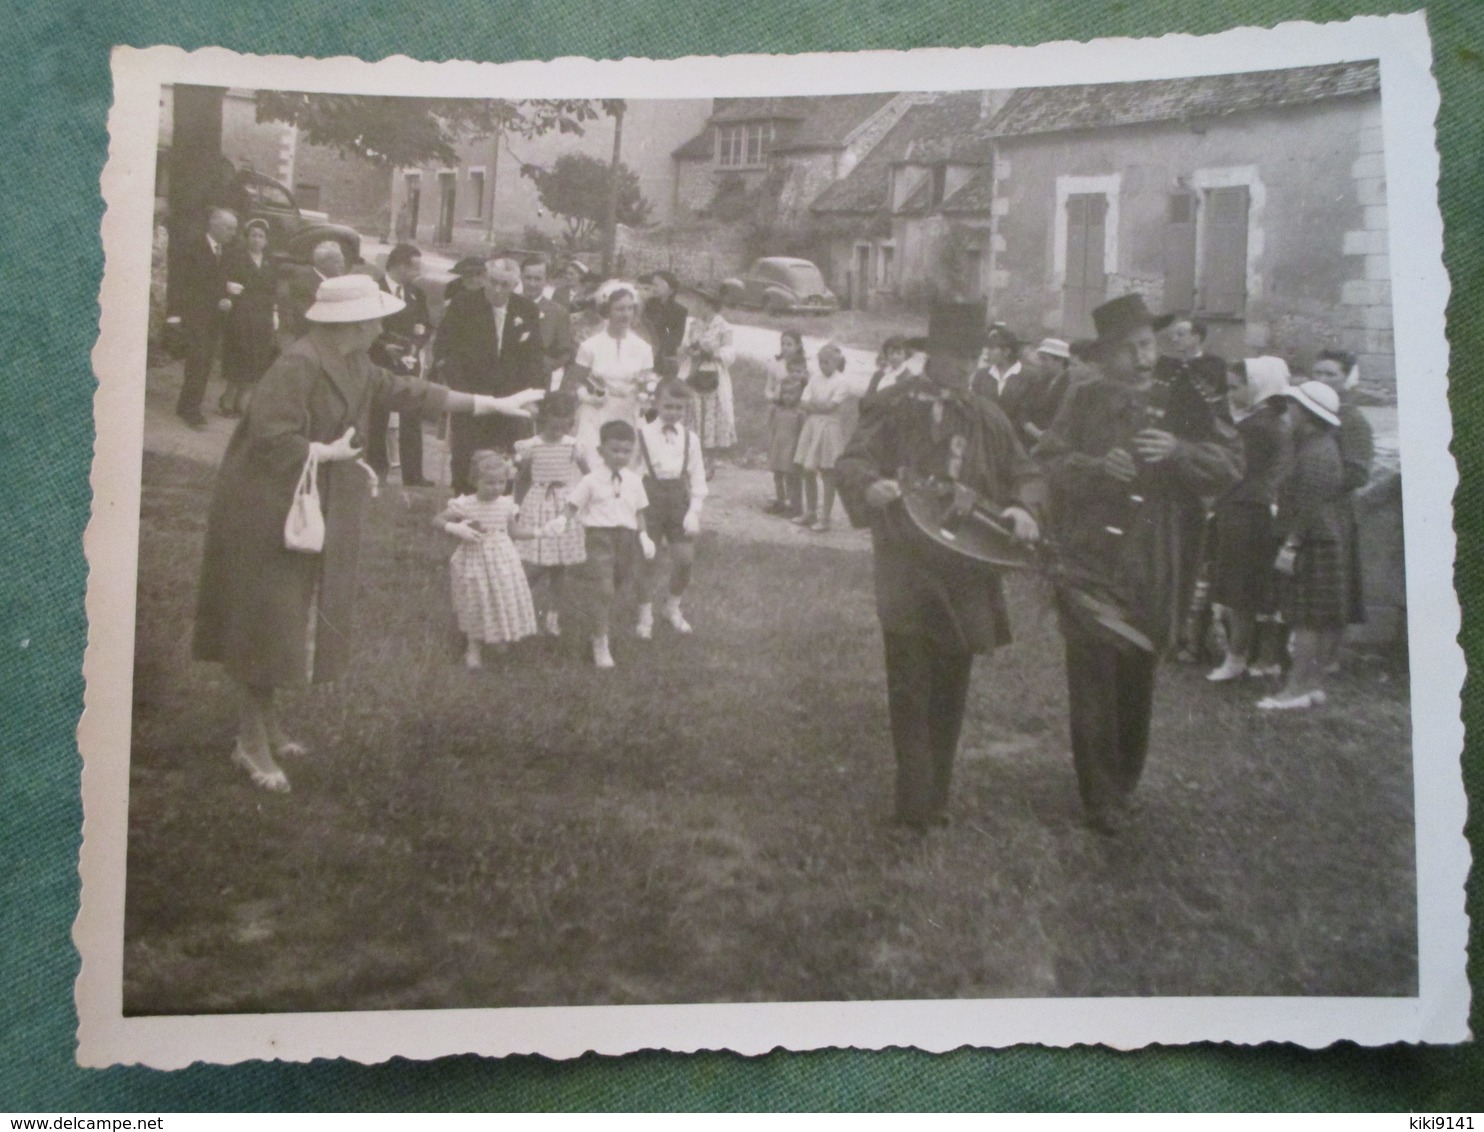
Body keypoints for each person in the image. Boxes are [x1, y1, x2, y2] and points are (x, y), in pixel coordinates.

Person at [192, 273, 543, 792]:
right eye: (377, 317)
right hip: (266, 506)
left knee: (289, 613)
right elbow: (267, 434)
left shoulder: (351, 361)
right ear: (352, 323)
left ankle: (265, 726)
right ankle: (249, 741)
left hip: (307, 501)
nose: (383, 324)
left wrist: (490, 404)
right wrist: (321, 452)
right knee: (265, 616)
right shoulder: (299, 363)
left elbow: (411, 391)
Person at [1032, 293, 1243, 834]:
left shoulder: (1186, 398)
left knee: (1135, 674)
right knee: (1092, 676)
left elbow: (1229, 464)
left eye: (1148, 345)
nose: (1144, 359)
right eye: (1129, 350)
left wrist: (1177, 451)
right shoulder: (1081, 399)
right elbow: (1047, 461)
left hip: (1154, 561)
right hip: (1088, 561)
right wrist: (1097, 467)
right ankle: (1100, 795)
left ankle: (1124, 782)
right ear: (1104, 356)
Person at [836, 305, 1043, 834]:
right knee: (909, 684)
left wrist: (1025, 507)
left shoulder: (987, 416)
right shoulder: (893, 404)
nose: (968, 367)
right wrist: (869, 485)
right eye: (958, 357)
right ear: (934, 355)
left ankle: (936, 796)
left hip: (967, 569)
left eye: (974, 357)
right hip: (908, 566)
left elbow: (1026, 471)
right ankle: (913, 805)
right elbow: (852, 460)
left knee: (952, 684)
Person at [1260, 381, 1350, 710]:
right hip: (1321, 538)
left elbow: (1309, 504)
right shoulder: (1320, 445)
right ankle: (1311, 685)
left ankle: (1295, 689)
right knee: (1318, 617)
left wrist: (1292, 545)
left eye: (1294, 406)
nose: (1289, 412)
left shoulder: (1315, 452)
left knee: (1306, 618)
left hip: (1311, 540)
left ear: (1307, 413)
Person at [1205, 356, 1293, 682]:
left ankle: (1236, 658)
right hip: (1256, 508)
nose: (1230, 393)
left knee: (1240, 590)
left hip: (1245, 510)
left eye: (1236, 386)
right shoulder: (1273, 420)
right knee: (1253, 589)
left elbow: (1229, 469)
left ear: (1257, 386)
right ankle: (1260, 656)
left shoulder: (1257, 427)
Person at [544, 419, 654, 670]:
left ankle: (597, 628)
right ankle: (601, 643)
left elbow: (639, 512)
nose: (620, 456)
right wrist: (562, 520)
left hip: (626, 540)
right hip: (599, 538)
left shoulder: (634, 481)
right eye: (615, 450)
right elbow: (573, 505)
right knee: (603, 590)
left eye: (626, 451)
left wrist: (644, 536)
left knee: (615, 586)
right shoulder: (591, 480)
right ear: (601, 451)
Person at [436, 257, 546, 491]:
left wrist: (530, 397)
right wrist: (462, 392)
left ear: (514, 285)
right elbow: (445, 351)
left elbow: (534, 358)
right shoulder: (463, 305)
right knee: (467, 457)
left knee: (506, 460)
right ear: (485, 278)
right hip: (471, 397)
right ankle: (462, 512)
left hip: (512, 400)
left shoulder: (526, 310)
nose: (497, 289)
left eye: (504, 285)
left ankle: (500, 515)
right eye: (493, 281)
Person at [436, 450, 538, 668]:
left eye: (501, 482)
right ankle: (474, 645)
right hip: (475, 556)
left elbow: (514, 531)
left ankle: (497, 634)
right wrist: (454, 527)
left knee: (501, 595)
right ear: (474, 481)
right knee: (477, 597)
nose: (496, 488)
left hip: (502, 558)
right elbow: (436, 520)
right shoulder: (466, 503)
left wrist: (541, 532)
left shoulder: (505, 504)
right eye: (489, 483)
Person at [636, 380, 709, 638]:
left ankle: (672, 607)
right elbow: (632, 474)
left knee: (685, 559)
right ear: (656, 403)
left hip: (678, 499)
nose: (673, 412)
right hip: (649, 498)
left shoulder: (691, 439)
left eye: (679, 408)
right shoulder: (641, 434)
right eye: (667, 405)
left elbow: (698, 478)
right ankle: (644, 614)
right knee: (647, 559)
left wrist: (694, 512)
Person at [1311, 348, 1374, 646]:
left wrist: (1319, 484)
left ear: (1346, 379)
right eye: (1318, 373)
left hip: (1334, 512)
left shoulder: (1352, 420)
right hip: (1306, 509)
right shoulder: (1308, 413)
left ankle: (1328, 656)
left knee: (1333, 588)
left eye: (1330, 374)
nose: (1322, 379)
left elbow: (1358, 473)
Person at [513, 391, 588, 637]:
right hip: (538, 505)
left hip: (564, 508)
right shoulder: (531, 446)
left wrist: (587, 501)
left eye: (565, 423)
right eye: (555, 423)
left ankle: (553, 616)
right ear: (544, 418)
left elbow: (589, 477)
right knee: (535, 564)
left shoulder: (572, 446)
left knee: (559, 567)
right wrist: (516, 508)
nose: (559, 429)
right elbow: (522, 479)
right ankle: (516, 604)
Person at [562, 281, 656, 468]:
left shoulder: (643, 348)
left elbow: (647, 383)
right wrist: (587, 397)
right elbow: (576, 382)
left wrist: (645, 397)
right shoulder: (590, 346)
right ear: (607, 311)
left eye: (630, 308)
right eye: (620, 309)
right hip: (596, 412)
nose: (626, 314)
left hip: (628, 412)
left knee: (628, 464)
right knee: (593, 463)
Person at [365, 243, 434, 485]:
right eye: (414, 268)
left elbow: (425, 325)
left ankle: (414, 475)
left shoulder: (416, 293)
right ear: (399, 265)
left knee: (411, 418)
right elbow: (364, 326)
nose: (417, 273)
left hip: (408, 364)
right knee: (377, 420)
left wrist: (417, 343)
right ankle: (376, 471)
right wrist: (384, 347)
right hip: (380, 363)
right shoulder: (374, 290)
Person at [173, 206, 238, 428]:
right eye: (229, 228)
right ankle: (191, 410)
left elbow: (221, 280)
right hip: (195, 314)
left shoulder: (226, 252)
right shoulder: (194, 247)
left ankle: (185, 404)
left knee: (205, 362)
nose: (233, 233)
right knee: (198, 361)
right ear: (215, 225)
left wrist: (227, 294)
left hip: (214, 317)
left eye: (234, 229)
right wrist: (175, 315)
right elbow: (183, 283)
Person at [218, 218, 279, 417]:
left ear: (266, 241)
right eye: (253, 235)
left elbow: (273, 290)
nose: (257, 239)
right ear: (246, 238)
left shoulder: (270, 262)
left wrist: (275, 312)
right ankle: (228, 397)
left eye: (261, 236)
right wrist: (227, 290)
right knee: (239, 352)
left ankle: (242, 401)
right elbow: (224, 280)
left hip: (262, 314)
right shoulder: (236, 257)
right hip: (241, 311)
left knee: (257, 357)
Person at [793, 342, 853, 532]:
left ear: (836, 363)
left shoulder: (842, 381)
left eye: (827, 362)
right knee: (807, 470)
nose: (822, 366)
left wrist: (815, 405)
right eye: (820, 362)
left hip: (829, 429)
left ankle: (825, 518)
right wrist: (818, 405)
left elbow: (831, 407)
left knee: (828, 472)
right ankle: (810, 512)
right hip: (812, 426)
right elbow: (802, 402)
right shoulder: (815, 378)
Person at [678, 285, 738, 462]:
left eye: (699, 303)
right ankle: (693, 456)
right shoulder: (694, 324)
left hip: (713, 376)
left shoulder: (723, 327)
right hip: (694, 373)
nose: (696, 306)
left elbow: (729, 354)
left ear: (710, 304)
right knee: (694, 412)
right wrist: (690, 350)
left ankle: (709, 457)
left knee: (711, 414)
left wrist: (711, 353)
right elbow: (684, 346)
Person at [764, 329, 809, 516]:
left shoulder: (803, 370)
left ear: (798, 345)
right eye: (783, 344)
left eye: (790, 344)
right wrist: (774, 398)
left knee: (791, 462)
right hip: (779, 412)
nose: (786, 347)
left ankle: (794, 503)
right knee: (777, 460)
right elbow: (769, 389)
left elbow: (807, 394)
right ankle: (780, 500)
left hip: (795, 416)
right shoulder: (776, 366)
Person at [521, 255, 576, 388]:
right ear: (521, 278)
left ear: (546, 280)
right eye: (528, 278)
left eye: (537, 279)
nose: (532, 284)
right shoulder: (509, 305)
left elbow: (565, 352)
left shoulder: (558, 313)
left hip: (539, 381)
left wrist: (546, 366)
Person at [1155, 313, 1229, 410]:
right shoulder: (1166, 363)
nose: (1174, 339)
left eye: (1180, 335)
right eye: (1174, 335)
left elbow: (1221, 395)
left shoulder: (1216, 363)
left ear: (1196, 338)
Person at [280, 240, 346, 342]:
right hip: (313, 342)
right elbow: (308, 318)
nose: (342, 265)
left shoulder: (339, 282)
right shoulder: (302, 284)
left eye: (343, 261)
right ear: (322, 263)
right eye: (337, 261)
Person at [1019, 338, 1075, 447]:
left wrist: (1045, 436)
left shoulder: (1071, 386)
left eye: (1045, 359)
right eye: (1040, 359)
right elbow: (1024, 409)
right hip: (1029, 441)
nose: (1041, 364)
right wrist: (1031, 428)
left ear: (1060, 361)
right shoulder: (1038, 383)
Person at [641, 271, 690, 380]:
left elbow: (676, 338)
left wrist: (657, 349)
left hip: (664, 358)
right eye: (653, 284)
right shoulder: (646, 305)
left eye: (658, 285)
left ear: (671, 290)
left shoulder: (679, 311)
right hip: (643, 353)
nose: (654, 288)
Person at [864, 335, 913, 401]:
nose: (894, 357)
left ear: (906, 355)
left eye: (899, 353)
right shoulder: (878, 374)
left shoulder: (908, 377)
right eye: (891, 353)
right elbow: (868, 396)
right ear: (886, 355)